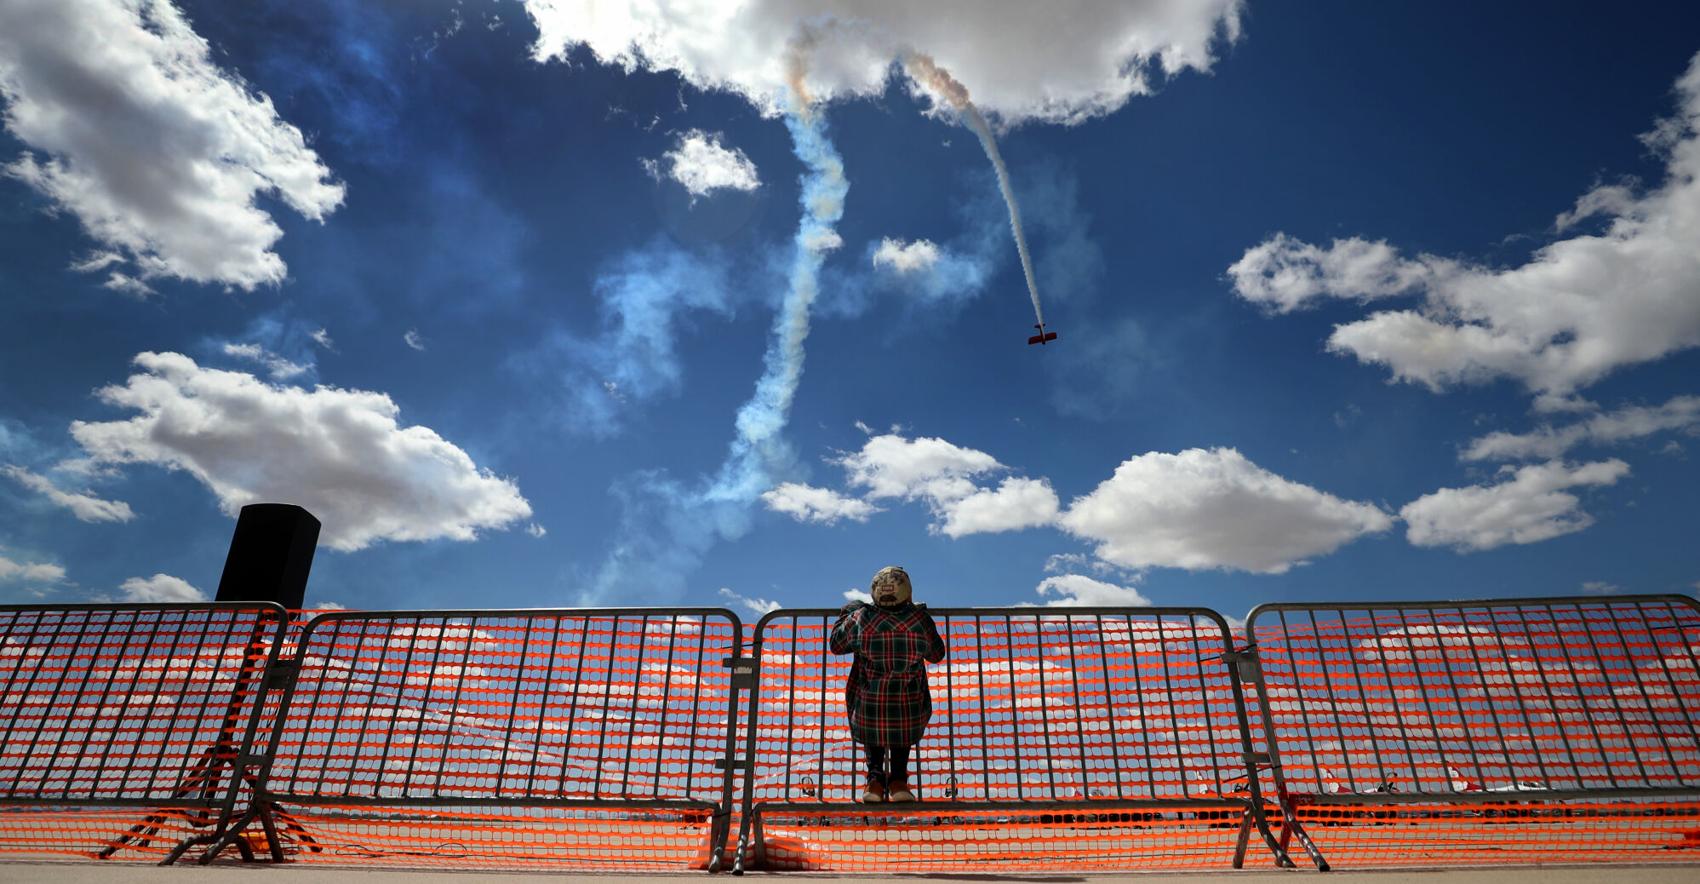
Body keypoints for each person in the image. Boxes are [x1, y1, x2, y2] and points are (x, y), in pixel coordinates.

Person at [830, 566, 947, 804]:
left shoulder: (861, 618)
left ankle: (874, 781)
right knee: (900, 722)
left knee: (875, 718)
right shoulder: (919, 620)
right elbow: (937, 654)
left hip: (868, 707)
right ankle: (898, 782)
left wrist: (849, 612)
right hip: (908, 707)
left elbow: (836, 645)